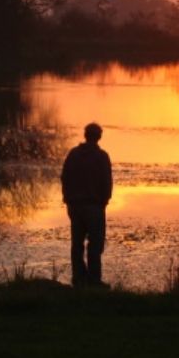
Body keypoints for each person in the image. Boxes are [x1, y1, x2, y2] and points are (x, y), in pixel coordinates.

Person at [61, 122, 112, 287]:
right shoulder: (102, 156)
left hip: (75, 206)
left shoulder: (73, 154)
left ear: (85, 135)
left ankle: (79, 278)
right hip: (94, 206)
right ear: (99, 137)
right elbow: (107, 182)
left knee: (77, 243)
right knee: (95, 244)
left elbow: (64, 177)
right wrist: (104, 201)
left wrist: (67, 199)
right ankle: (94, 280)